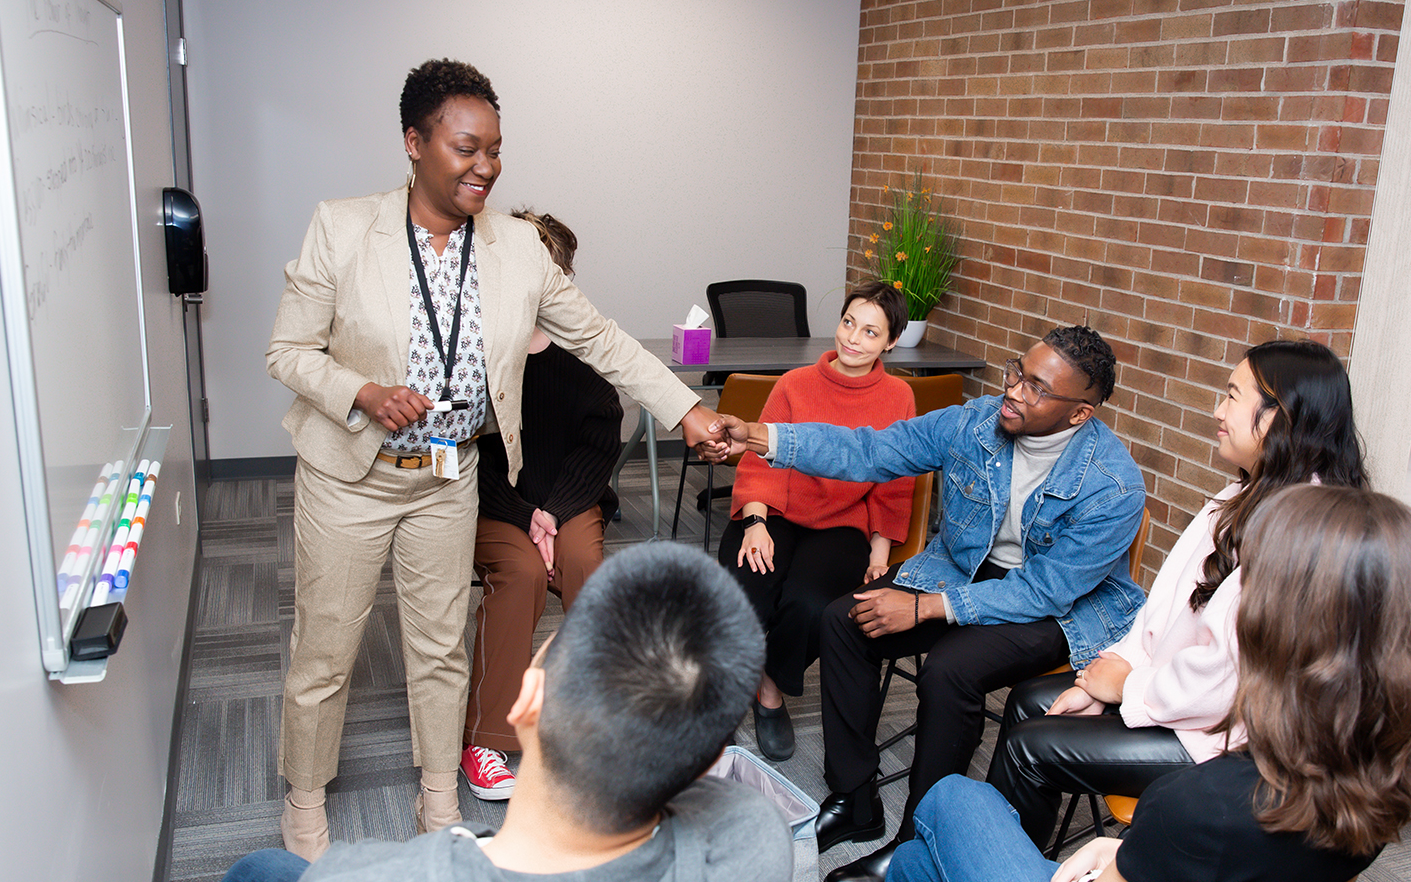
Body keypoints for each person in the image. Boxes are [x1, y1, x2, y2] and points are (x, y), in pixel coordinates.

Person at [265, 59, 724, 859]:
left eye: (497, 150)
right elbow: (287, 351)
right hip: (352, 478)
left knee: (439, 647)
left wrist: (684, 408)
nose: (486, 167)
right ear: (414, 143)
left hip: (446, 480)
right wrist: (362, 391)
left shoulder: (517, 249)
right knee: (326, 648)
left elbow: (603, 340)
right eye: (466, 148)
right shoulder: (342, 228)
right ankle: (305, 797)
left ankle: (439, 794)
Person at [713, 326, 1147, 882]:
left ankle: (917, 836)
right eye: (1018, 371)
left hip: (1057, 608)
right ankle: (856, 800)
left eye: (1036, 388)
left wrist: (926, 608)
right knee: (844, 620)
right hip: (964, 568)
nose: (1013, 391)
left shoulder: (1114, 485)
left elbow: (1044, 591)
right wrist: (757, 435)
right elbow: (870, 449)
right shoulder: (975, 421)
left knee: (950, 669)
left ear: (1079, 414)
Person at [887, 485, 1411, 882]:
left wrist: (1142, 850)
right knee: (921, 869)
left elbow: (1196, 836)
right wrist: (1132, 854)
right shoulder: (1383, 777)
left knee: (951, 798)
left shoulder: (1194, 802)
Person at [218, 541, 794, 882]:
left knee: (262, 870)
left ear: (526, 701)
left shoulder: (367, 874)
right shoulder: (756, 836)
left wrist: (469, 845)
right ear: (713, 758)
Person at [986, 339, 1370, 848]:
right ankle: (1010, 856)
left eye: (1233, 397)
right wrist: (1112, 667)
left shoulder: (1303, 533)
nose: (1218, 410)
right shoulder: (1242, 495)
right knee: (1031, 701)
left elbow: (1227, 684)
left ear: (1281, 416)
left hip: (1233, 744)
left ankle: (997, 860)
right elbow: (1162, 611)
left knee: (1028, 749)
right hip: (1182, 699)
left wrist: (1125, 688)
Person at [459, 210, 625, 799]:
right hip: (494, 504)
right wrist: (524, 513)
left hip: (565, 501)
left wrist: (553, 511)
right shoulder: (475, 345)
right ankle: (486, 739)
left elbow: (602, 434)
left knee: (583, 568)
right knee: (525, 572)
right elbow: (469, 451)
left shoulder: (581, 346)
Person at [718, 278, 916, 762]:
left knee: (810, 607)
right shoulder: (794, 383)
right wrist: (755, 522)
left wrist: (879, 553)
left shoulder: (898, 398)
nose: (853, 338)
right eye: (849, 322)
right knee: (748, 589)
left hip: (842, 525)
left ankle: (767, 689)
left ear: (890, 342)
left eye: (871, 332)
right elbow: (760, 458)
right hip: (776, 512)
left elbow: (895, 481)